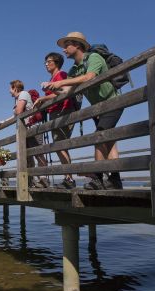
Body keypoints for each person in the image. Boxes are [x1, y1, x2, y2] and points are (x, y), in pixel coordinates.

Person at [43, 32, 123, 190]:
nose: (64, 49)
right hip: (97, 108)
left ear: (77, 45)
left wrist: (61, 82)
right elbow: (68, 92)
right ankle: (115, 179)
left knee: (99, 135)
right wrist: (54, 89)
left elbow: (89, 77)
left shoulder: (93, 57)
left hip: (112, 102)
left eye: (67, 45)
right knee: (108, 140)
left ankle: (98, 178)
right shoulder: (74, 70)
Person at [33, 52, 76, 189]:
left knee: (59, 145)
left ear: (56, 63)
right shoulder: (53, 78)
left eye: (49, 61)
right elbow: (54, 95)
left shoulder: (61, 75)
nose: (46, 64)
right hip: (56, 113)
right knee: (60, 145)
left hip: (62, 112)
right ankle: (68, 177)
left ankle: (69, 179)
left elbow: (64, 92)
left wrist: (42, 98)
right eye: (45, 62)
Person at [0, 80, 49, 188]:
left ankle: (44, 179)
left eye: (10, 89)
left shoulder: (23, 94)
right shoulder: (18, 99)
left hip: (33, 128)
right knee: (27, 155)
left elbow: (18, 112)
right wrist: (5, 121)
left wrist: (15, 111)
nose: (9, 91)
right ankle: (31, 180)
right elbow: (16, 115)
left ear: (15, 88)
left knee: (38, 153)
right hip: (26, 130)